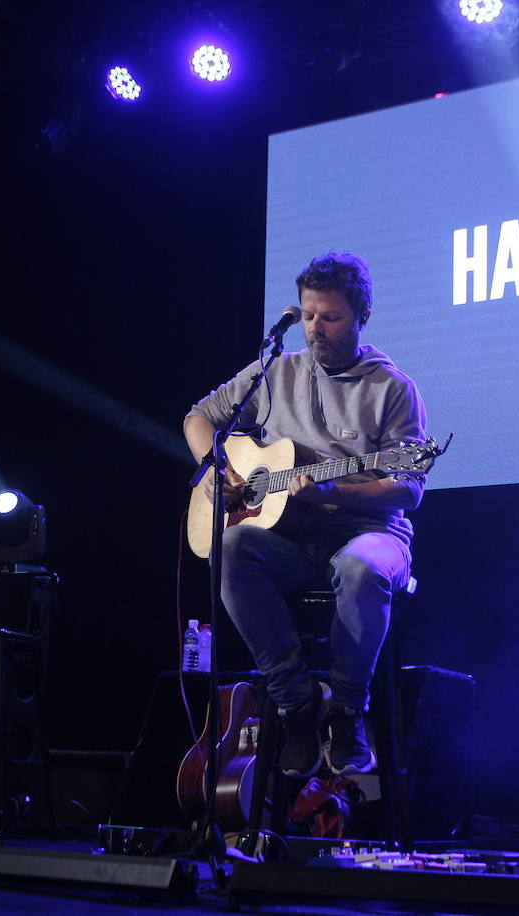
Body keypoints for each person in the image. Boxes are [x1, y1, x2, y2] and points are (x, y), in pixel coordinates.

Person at [183, 252, 427, 778]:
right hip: (291, 538)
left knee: (361, 566)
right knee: (227, 549)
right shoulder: (275, 372)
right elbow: (200, 417)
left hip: (370, 531)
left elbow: (406, 490)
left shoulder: (393, 389)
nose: (316, 327)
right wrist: (213, 469)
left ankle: (346, 710)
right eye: (309, 314)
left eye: (331, 317)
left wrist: (335, 490)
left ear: (360, 316)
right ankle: (295, 704)